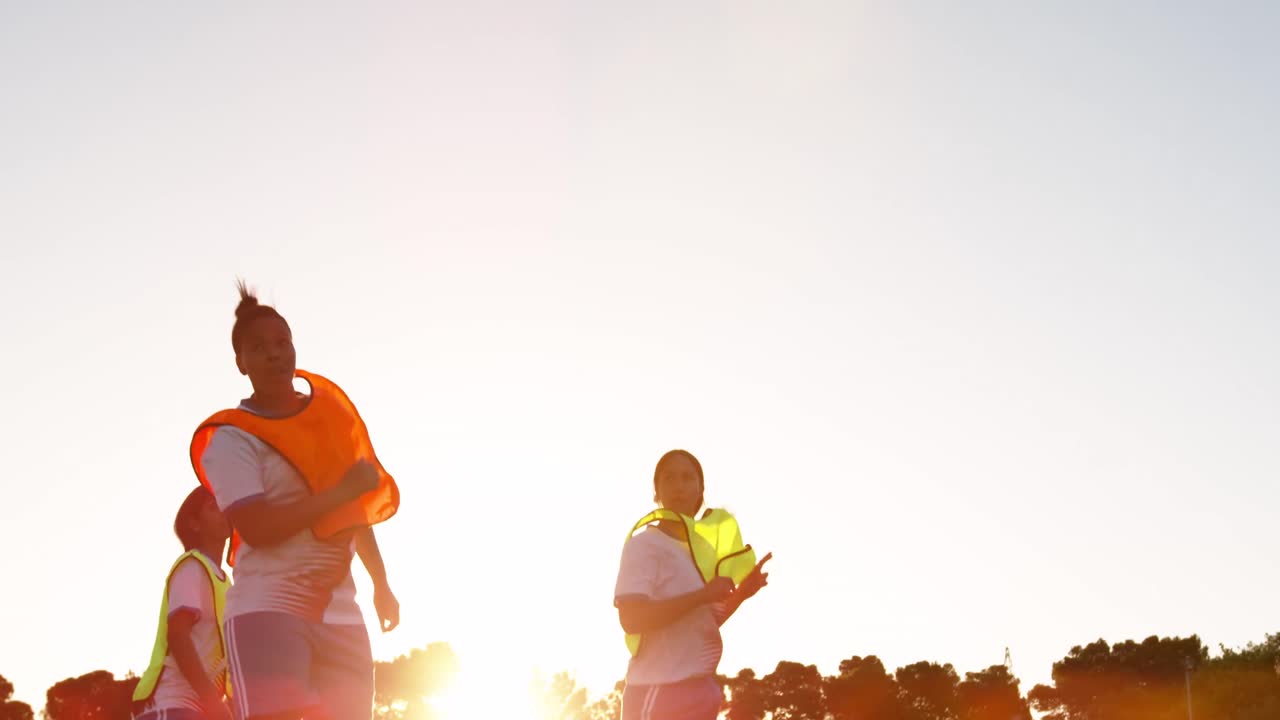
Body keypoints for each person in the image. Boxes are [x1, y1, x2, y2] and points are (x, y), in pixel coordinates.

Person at [194, 282, 401, 720]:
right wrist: (341, 492)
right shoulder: (233, 439)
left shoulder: (329, 423)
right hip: (266, 609)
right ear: (241, 363)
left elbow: (353, 516)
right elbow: (258, 528)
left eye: (282, 342)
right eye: (258, 347)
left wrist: (381, 585)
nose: (275, 354)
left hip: (341, 616)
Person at [614, 449, 773, 720]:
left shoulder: (701, 554)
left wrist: (742, 593)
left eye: (688, 478)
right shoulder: (644, 544)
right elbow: (631, 619)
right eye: (669, 478)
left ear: (701, 490)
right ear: (656, 492)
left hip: (701, 691)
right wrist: (701, 595)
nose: (679, 486)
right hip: (657, 691)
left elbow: (699, 623)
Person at [132, 486, 233, 720]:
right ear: (194, 524)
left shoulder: (224, 582)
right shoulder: (191, 567)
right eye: (213, 507)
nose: (223, 510)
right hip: (170, 703)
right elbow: (178, 636)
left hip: (196, 709)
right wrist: (213, 702)